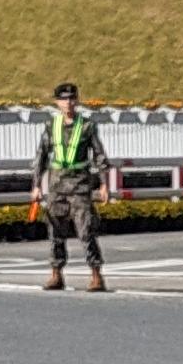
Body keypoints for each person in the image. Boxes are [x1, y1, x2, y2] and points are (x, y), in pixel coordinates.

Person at [36, 81, 109, 288]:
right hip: (57, 186)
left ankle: (96, 274)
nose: (68, 103)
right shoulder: (51, 126)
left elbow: (99, 156)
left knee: (86, 230)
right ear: (57, 102)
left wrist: (103, 184)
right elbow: (41, 156)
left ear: (77, 101)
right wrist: (36, 185)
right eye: (63, 99)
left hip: (80, 186)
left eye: (71, 98)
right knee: (56, 232)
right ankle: (56, 273)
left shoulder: (86, 126)